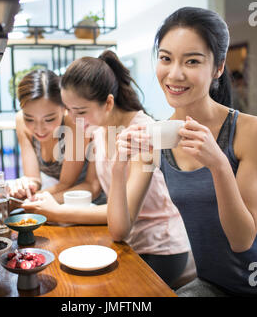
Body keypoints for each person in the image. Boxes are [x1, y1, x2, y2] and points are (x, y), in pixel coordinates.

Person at [111, 7, 257, 297]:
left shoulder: (253, 131)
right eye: (165, 58)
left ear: (218, 67)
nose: (174, 74)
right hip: (217, 284)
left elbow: (241, 240)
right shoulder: (158, 137)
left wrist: (220, 165)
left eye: (192, 61)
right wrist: (118, 166)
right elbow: (120, 231)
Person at [22, 50, 192, 287]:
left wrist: (57, 211)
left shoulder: (142, 134)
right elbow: (97, 191)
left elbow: (121, 225)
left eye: (80, 112)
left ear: (108, 103)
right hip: (126, 243)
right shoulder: (99, 131)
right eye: (69, 111)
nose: (73, 120)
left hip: (160, 249)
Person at [9, 69, 104, 204]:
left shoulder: (75, 124)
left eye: (49, 119)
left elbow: (66, 184)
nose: (39, 129)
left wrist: (29, 200)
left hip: (88, 203)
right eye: (29, 119)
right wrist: (24, 187)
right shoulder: (20, 122)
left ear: (64, 108)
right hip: (52, 204)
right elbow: (33, 179)